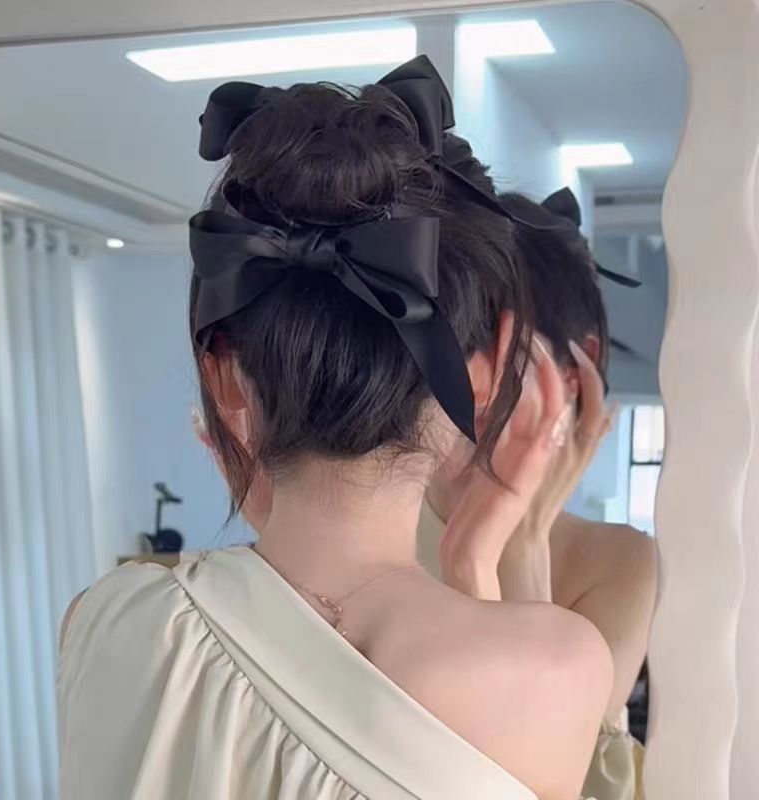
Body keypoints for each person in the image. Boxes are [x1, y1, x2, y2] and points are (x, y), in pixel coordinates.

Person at [58, 59, 613, 800]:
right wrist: (481, 557)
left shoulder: (104, 619)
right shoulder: (556, 669)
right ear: (482, 380)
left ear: (223, 376)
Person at [417, 137, 658, 800]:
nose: (468, 390)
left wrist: (521, 543)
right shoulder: (370, 513)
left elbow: (561, 777)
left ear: (580, 369)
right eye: (444, 354)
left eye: (501, 358)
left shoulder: (619, 563)